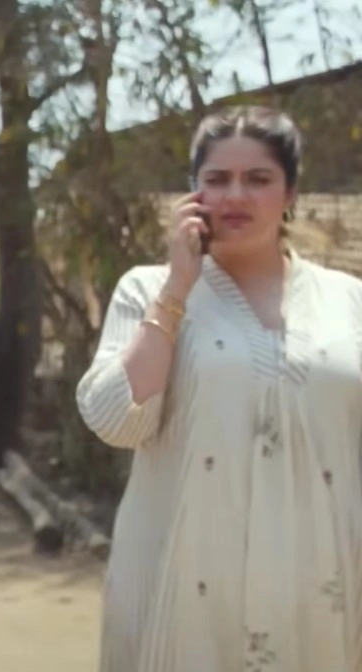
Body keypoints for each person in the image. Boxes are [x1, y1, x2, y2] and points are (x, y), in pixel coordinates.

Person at [77, 104, 362, 671]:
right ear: (194, 192)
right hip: (185, 585)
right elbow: (116, 419)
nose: (235, 195)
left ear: (290, 192)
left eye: (257, 179)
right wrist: (177, 290)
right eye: (217, 179)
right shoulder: (148, 289)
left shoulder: (347, 300)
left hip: (321, 583)